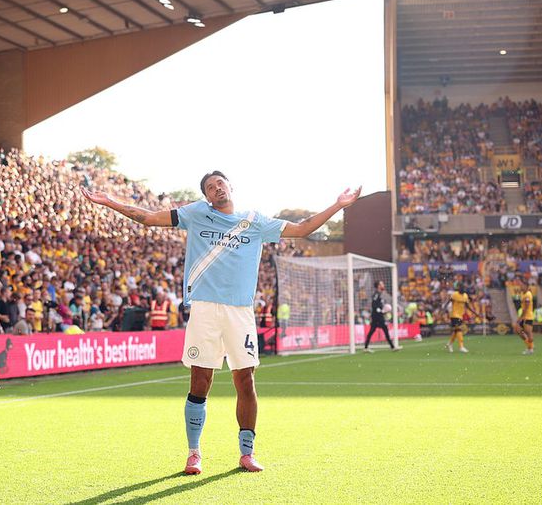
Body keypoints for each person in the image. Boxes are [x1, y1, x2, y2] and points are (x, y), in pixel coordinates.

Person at [81, 171, 361, 474]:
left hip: (240, 311)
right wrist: (109, 201)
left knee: (245, 380)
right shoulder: (196, 214)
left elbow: (303, 229)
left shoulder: (255, 221)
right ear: (206, 196)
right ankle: (194, 453)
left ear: (230, 187)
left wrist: (338, 205)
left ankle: (247, 452)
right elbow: (149, 218)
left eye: (220, 184)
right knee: (200, 380)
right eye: (210, 188)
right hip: (205, 308)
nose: (217, 189)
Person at [363, 280, 400, 352]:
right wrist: (379, 310)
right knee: (384, 330)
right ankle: (392, 347)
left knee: (372, 331)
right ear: (378, 286)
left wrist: (383, 310)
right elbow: (374, 304)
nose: (383, 285)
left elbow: (378, 304)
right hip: (377, 316)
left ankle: (366, 347)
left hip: (378, 315)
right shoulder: (376, 294)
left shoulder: (380, 294)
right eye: (382, 284)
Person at [445, 284, 480, 353]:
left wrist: (474, 312)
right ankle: (461, 346)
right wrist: (443, 310)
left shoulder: (465, 296)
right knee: (458, 329)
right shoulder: (455, 295)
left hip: (460, 315)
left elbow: (467, 306)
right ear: (459, 288)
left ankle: (450, 343)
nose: (463, 290)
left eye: (464, 288)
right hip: (454, 314)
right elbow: (448, 302)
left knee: (456, 331)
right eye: (462, 288)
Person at [514, 286, 535, 355]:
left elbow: (526, 307)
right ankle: (530, 347)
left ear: (526, 286)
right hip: (525, 316)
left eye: (522, 286)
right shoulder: (525, 294)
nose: (521, 287)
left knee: (528, 333)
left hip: (527, 317)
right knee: (518, 330)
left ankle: (530, 349)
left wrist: (521, 317)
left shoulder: (527, 295)